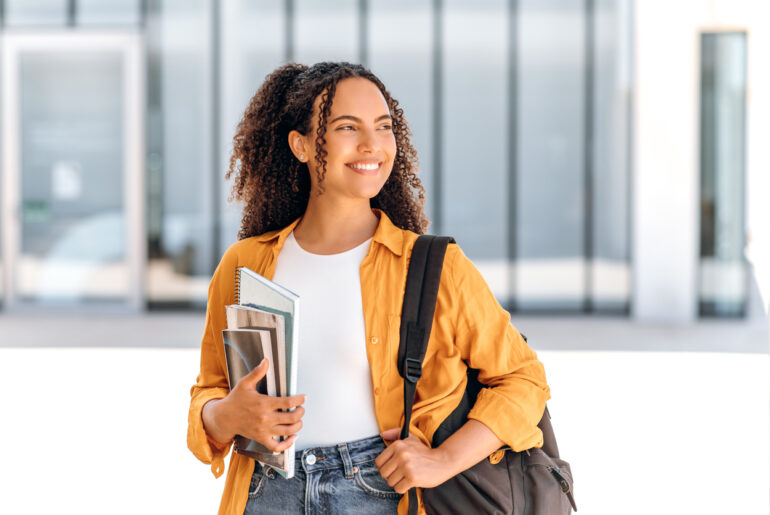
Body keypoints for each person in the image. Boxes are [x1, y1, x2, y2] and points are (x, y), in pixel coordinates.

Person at [187, 61, 551, 515]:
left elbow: (523, 379)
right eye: (346, 127)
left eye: (383, 126)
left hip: (382, 493)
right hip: (266, 492)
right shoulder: (244, 266)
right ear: (300, 145)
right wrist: (224, 417)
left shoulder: (435, 267)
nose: (372, 145)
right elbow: (209, 390)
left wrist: (442, 461)